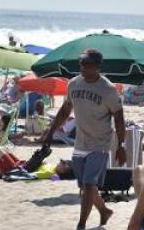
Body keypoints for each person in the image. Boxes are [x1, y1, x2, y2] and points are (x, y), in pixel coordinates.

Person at [43, 49, 126, 230]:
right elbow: (65, 110)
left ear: (97, 67)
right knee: (85, 185)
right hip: (80, 142)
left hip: (100, 143)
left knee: (89, 184)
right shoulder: (73, 84)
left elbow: (119, 118)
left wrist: (121, 145)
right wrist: (50, 132)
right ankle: (104, 210)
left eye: (87, 64)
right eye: (81, 63)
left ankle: (81, 225)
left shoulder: (108, 90)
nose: (82, 67)